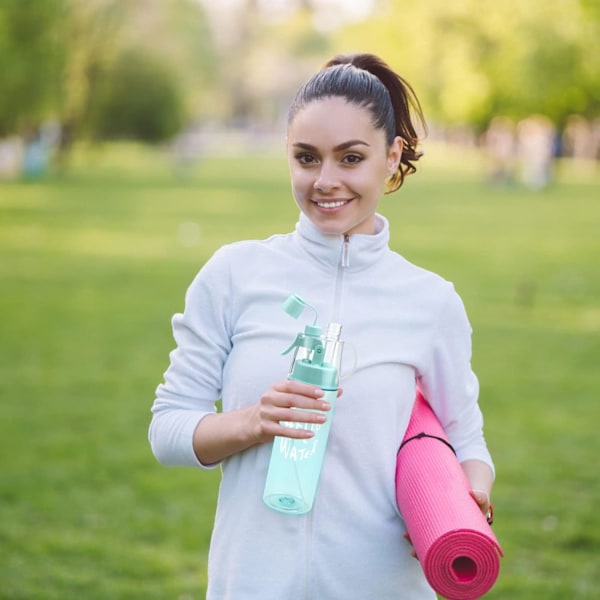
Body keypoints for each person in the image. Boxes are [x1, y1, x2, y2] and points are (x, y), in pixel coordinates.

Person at [149, 53, 495, 599]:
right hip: (252, 585)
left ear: (391, 156)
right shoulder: (235, 275)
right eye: (306, 158)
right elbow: (167, 430)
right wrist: (253, 422)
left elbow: (465, 436)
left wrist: (467, 499)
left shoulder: (430, 301)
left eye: (350, 158)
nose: (325, 181)